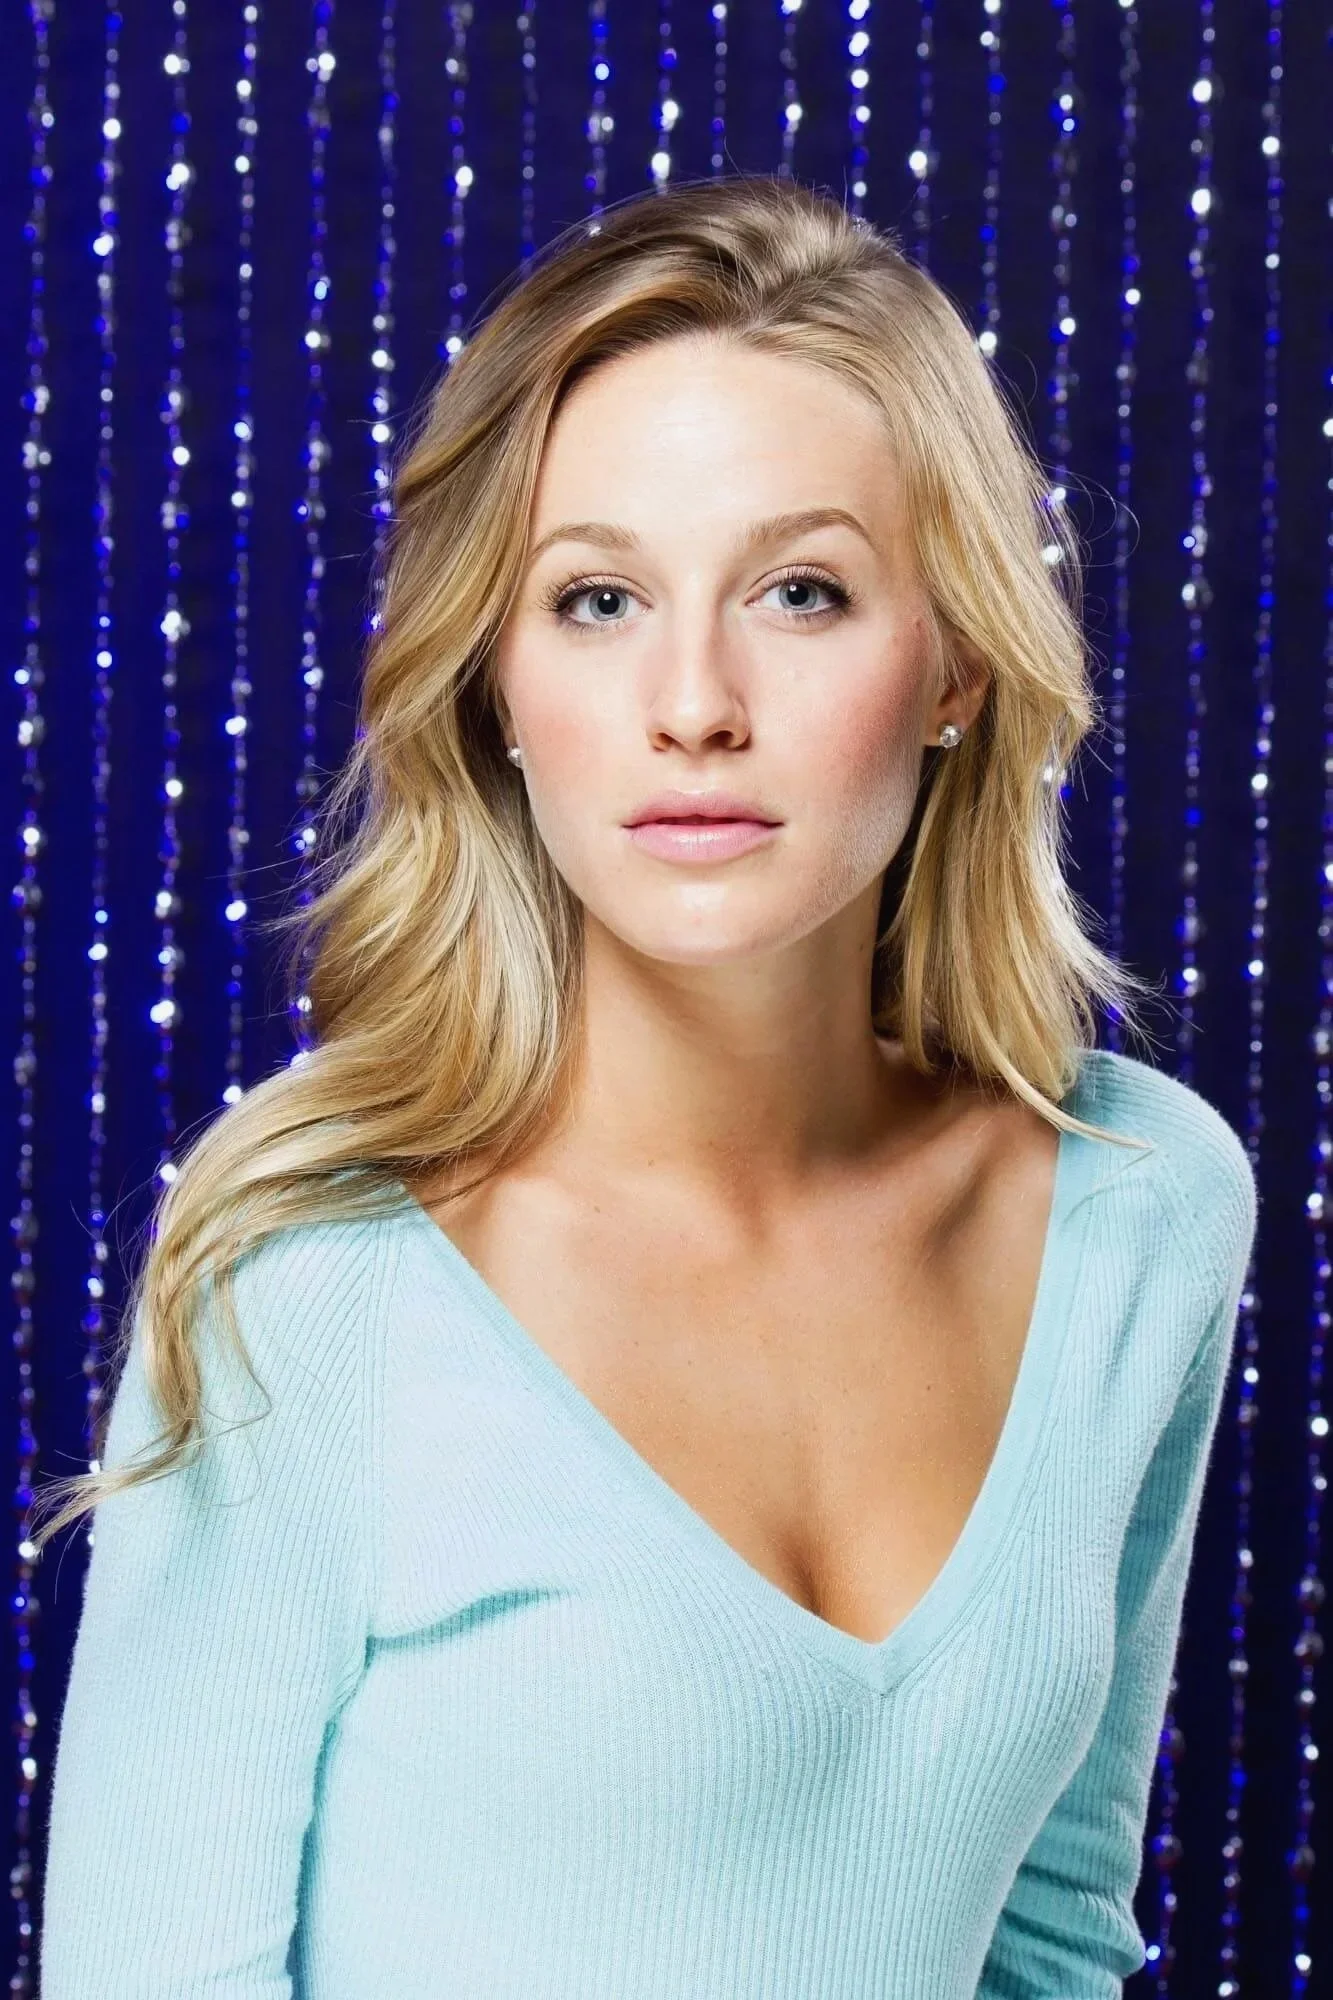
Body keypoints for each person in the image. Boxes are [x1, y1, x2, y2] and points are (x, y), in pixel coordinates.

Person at [35, 174, 1257, 1998]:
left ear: (957, 668)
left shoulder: (1147, 1205)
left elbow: (1055, 1936)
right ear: (499, 683)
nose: (694, 700)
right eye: (598, 598)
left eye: (802, 591)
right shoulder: (311, 1278)